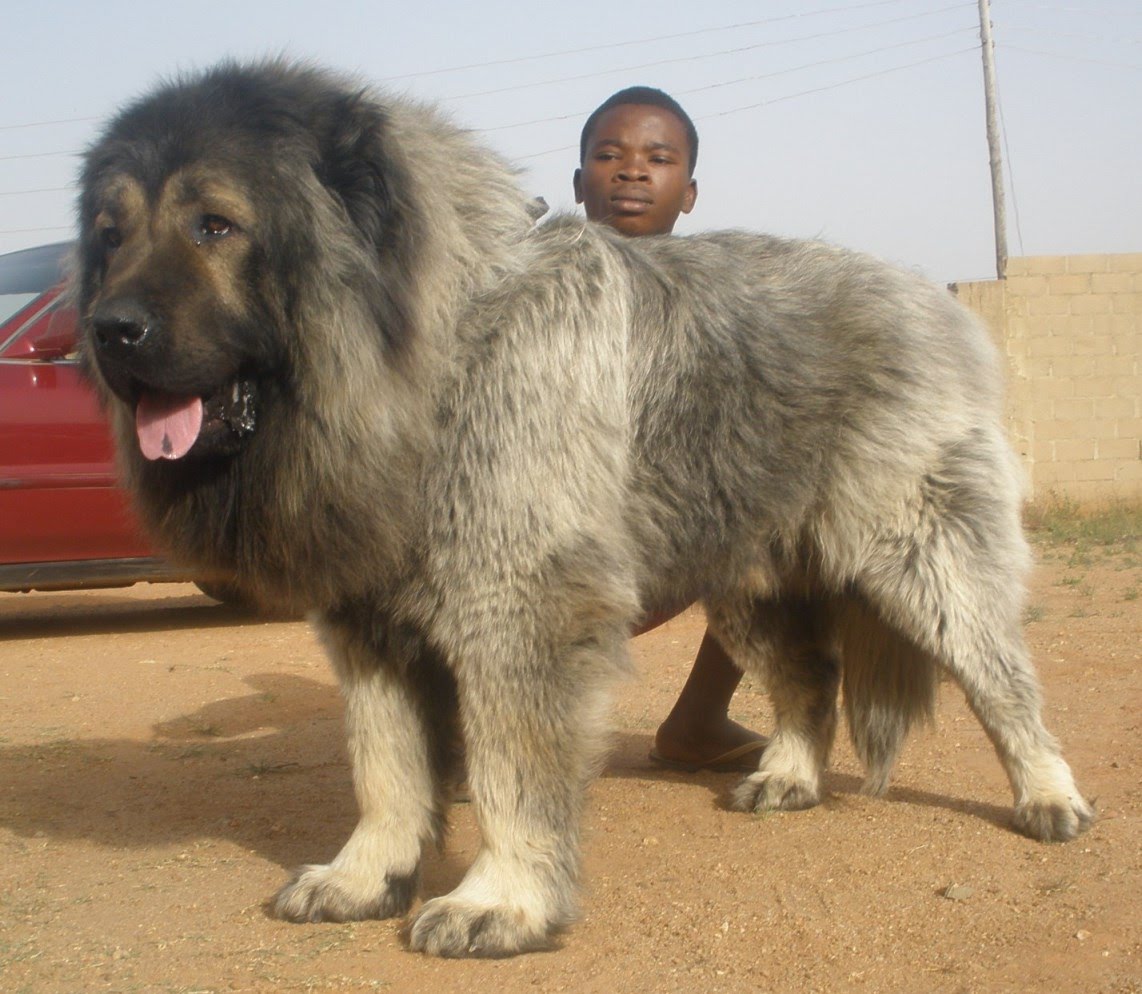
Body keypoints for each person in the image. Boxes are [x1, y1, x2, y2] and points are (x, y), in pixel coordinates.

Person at [574, 87, 766, 772]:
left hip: (669, 536)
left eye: (657, 158)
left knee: (776, 522)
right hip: (551, 539)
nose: (632, 171)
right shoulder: (534, 284)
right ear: (579, 183)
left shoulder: (725, 298)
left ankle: (697, 721)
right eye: (609, 155)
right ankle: (471, 737)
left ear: (688, 192)